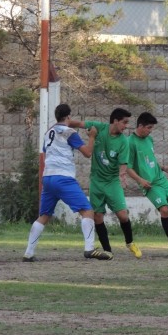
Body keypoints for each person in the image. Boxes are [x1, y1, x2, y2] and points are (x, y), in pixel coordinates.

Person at [23, 103, 113, 261]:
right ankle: (89, 249)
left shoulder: (48, 132)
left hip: (48, 177)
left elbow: (45, 153)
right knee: (87, 211)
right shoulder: (70, 132)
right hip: (63, 177)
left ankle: (29, 253)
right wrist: (92, 136)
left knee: (43, 215)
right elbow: (87, 153)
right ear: (68, 117)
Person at [68, 108, 142, 259]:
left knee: (122, 215)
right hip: (96, 181)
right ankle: (108, 250)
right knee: (98, 216)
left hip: (112, 181)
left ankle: (130, 242)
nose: (126, 126)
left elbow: (123, 163)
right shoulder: (99, 128)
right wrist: (63, 123)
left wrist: (122, 175)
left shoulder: (123, 141)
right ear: (115, 121)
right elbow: (80, 123)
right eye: (124, 122)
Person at [126, 112, 168, 258]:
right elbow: (128, 168)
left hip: (161, 179)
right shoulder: (130, 142)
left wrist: (164, 168)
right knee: (165, 210)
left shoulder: (149, 140)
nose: (150, 130)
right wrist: (140, 180)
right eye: (148, 127)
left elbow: (150, 160)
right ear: (140, 126)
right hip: (149, 184)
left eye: (151, 128)